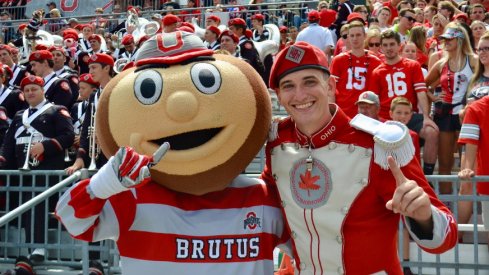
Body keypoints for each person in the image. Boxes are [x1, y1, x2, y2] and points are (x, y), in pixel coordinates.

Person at [262, 41, 457, 274]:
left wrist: (425, 216)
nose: (300, 94)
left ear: (330, 85)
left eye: (310, 82)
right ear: (279, 96)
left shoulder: (381, 143)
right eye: (288, 86)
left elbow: (447, 237)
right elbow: (272, 208)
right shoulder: (277, 143)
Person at [0, 75, 74, 265]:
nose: (30, 93)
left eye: (34, 89)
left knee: (38, 207)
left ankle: (39, 248)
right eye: (27, 90)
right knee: (25, 208)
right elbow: (8, 144)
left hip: (45, 169)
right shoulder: (19, 116)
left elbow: (68, 135)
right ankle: (31, 248)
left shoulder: (57, 111)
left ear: (42, 91)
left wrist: (46, 146)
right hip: (22, 170)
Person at [369, 30, 439, 176]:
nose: (389, 48)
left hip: (409, 115)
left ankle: (427, 176)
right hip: (386, 118)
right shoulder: (377, 72)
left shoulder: (412, 66)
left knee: (431, 132)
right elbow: (374, 101)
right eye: (385, 45)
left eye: (392, 44)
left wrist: (426, 116)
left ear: (399, 46)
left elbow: (420, 92)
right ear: (381, 48)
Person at [425, 23, 478, 194]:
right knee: (445, 163)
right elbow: (422, 85)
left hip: (468, 114)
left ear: (460, 39)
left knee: (469, 163)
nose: (445, 42)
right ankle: (447, 205)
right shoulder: (442, 63)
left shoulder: (474, 60)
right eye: (444, 39)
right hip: (445, 114)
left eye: (450, 39)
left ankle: (467, 201)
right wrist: (433, 97)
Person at [457, 32, 489, 237]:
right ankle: (457, 235)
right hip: (472, 138)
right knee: (465, 186)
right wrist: (464, 112)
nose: (484, 52)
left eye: (488, 48)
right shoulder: (475, 80)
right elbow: (466, 110)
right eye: (481, 49)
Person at [66, 53, 114, 175]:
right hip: (97, 154)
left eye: (94, 67)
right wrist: (80, 157)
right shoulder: (94, 96)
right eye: (89, 67)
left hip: (115, 152)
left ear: (107, 68)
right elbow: (87, 126)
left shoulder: (118, 89)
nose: (90, 71)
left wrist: (105, 136)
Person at [330, 21, 382, 118]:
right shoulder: (338, 60)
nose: (355, 38)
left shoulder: (375, 61)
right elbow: (331, 90)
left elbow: (379, 91)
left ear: (365, 36)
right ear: (348, 37)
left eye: (358, 35)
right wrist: (332, 113)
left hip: (367, 114)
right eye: (352, 35)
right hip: (344, 113)